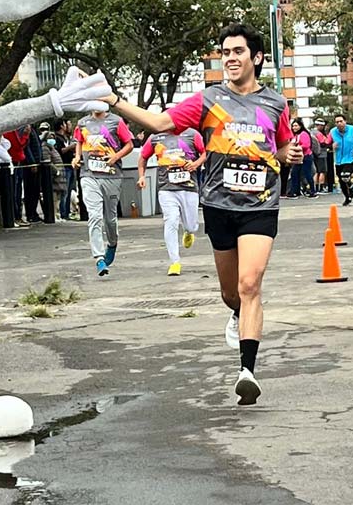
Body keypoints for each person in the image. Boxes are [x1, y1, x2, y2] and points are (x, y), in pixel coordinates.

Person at [96, 21, 302, 405]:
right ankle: (237, 313)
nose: (230, 59)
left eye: (237, 52)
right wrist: (112, 100)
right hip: (220, 205)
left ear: (256, 57)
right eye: (224, 53)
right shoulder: (209, 100)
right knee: (231, 292)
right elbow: (158, 123)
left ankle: (247, 372)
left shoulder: (275, 103)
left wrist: (288, 154)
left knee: (250, 283)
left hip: (260, 204)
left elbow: (280, 148)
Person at [137, 127, 206, 275]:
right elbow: (143, 157)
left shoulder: (192, 134)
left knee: (191, 224)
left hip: (189, 187)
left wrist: (196, 164)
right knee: (171, 221)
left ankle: (189, 231)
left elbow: (205, 153)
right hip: (166, 188)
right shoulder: (155, 137)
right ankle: (175, 262)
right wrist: (142, 176)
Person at [73, 109, 134, 276]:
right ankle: (99, 258)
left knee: (110, 219)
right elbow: (79, 141)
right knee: (95, 216)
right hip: (88, 175)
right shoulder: (83, 122)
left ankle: (112, 243)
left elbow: (129, 144)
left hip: (112, 176)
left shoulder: (116, 121)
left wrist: (115, 157)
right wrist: (77, 157)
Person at [330, 113, 353, 206]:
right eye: (337, 122)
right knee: (341, 181)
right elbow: (325, 143)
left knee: (345, 175)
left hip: (349, 158)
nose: (339, 124)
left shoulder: (352, 129)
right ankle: (347, 197)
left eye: (341, 121)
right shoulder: (333, 132)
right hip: (338, 160)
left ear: (345, 121)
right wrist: (331, 146)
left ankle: (350, 187)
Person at [289, 118, 317, 197]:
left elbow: (306, 145)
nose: (294, 127)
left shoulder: (304, 134)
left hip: (306, 156)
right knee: (294, 173)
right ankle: (295, 191)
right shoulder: (296, 135)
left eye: (296, 126)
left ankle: (312, 190)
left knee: (307, 173)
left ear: (300, 126)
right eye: (293, 126)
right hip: (298, 157)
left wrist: (297, 146)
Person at [312, 120, 328, 192]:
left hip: (314, 153)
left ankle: (315, 187)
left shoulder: (311, 132)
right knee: (322, 171)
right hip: (321, 154)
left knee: (316, 171)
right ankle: (321, 188)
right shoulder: (318, 133)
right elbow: (324, 142)